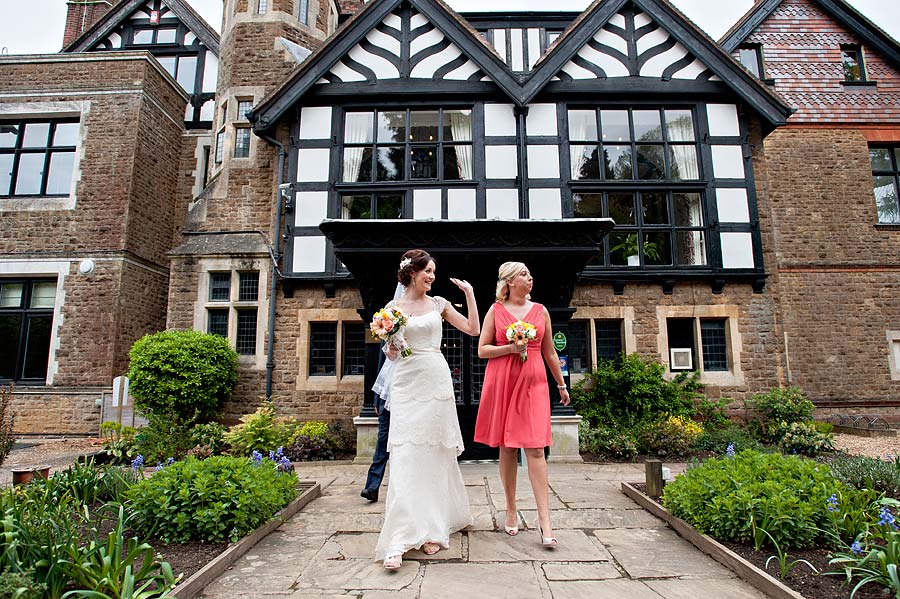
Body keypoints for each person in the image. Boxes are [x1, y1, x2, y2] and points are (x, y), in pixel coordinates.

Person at [374, 249, 480, 570]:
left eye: (434, 271)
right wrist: (391, 343)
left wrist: (470, 294)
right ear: (412, 273)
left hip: (435, 380)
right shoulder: (392, 310)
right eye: (427, 271)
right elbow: (391, 356)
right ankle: (399, 537)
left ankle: (434, 526)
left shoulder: (439, 305)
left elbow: (473, 329)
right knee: (405, 455)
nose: (432, 276)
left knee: (434, 453)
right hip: (406, 383)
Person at [474, 261, 571, 547]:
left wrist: (561, 384)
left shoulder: (541, 311)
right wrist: (510, 348)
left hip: (534, 384)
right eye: (524, 274)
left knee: (536, 449)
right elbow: (482, 350)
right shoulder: (496, 310)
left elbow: (550, 352)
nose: (530, 278)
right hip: (503, 381)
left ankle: (545, 521)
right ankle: (511, 507)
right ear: (510, 281)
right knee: (507, 447)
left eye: (530, 273)